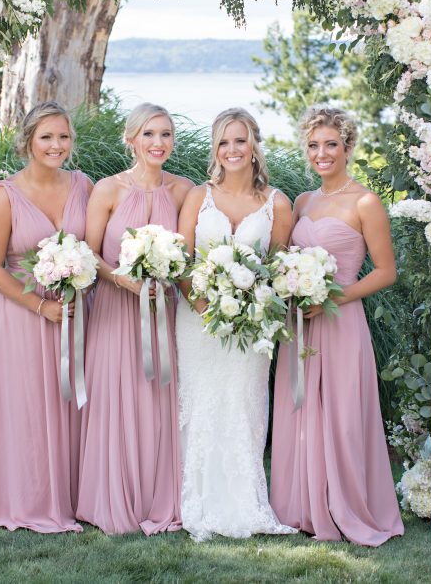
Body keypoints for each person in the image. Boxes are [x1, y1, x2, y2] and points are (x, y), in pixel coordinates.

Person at [270, 106, 404, 546]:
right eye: (313, 145)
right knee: (301, 409)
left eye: (331, 144)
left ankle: (345, 506)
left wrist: (331, 297)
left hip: (342, 323)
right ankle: (302, 508)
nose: (321, 153)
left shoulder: (365, 202)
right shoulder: (304, 202)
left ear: (347, 147)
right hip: (300, 327)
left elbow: (385, 271)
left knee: (343, 417)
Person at [0, 101, 92, 533]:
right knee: (26, 406)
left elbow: (94, 247)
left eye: (63, 137)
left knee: (71, 405)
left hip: (74, 313)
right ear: (28, 141)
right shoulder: (5, 195)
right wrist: (42, 306)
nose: (56, 145)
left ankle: (74, 497)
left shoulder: (84, 185)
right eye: (47, 137)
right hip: (23, 316)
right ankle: (25, 498)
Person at [174, 107, 296, 541]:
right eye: (224, 142)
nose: (232, 150)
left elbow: (280, 269)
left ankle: (245, 502)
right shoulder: (197, 196)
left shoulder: (277, 203)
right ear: (215, 148)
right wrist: (203, 302)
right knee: (201, 404)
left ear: (254, 145)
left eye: (240, 141)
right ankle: (198, 499)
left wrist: (251, 303)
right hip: (196, 320)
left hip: (252, 327)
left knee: (244, 405)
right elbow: (182, 261)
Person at [76, 103, 194, 535]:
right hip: (114, 307)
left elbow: (186, 256)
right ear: (131, 140)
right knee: (115, 396)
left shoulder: (183, 191)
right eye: (148, 134)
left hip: (162, 311)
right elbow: (89, 252)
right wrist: (120, 279)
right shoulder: (108, 190)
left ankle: (158, 496)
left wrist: (168, 273)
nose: (158, 143)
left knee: (157, 398)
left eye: (165, 134)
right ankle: (111, 497)